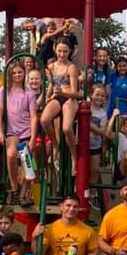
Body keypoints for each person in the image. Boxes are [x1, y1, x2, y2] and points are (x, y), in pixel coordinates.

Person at [0, 60, 39, 206]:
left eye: (20, 72)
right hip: (12, 131)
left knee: (28, 161)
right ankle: (14, 188)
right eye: (14, 72)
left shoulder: (29, 93)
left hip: (26, 131)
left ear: (24, 73)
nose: (17, 75)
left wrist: (33, 137)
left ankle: (23, 194)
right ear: (9, 74)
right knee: (11, 154)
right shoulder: (4, 90)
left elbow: (33, 116)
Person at [40, 39, 81, 173]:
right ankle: (56, 145)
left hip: (69, 97)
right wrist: (47, 96)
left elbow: (75, 92)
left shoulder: (71, 67)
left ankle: (74, 157)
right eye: (59, 51)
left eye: (65, 51)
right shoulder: (52, 66)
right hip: (57, 96)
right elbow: (51, 84)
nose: (62, 54)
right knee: (44, 120)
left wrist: (63, 91)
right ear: (55, 49)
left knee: (67, 128)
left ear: (69, 52)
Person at [88, 86, 119, 210]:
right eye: (97, 94)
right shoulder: (85, 106)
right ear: (91, 95)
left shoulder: (102, 113)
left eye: (103, 96)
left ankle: (92, 194)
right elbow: (101, 130)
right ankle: (79, 192)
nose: (100, 97)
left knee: (95, 169)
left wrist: (88, 124)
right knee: (82, 169)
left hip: (95, 144)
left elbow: (103, 132)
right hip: (82, 143)